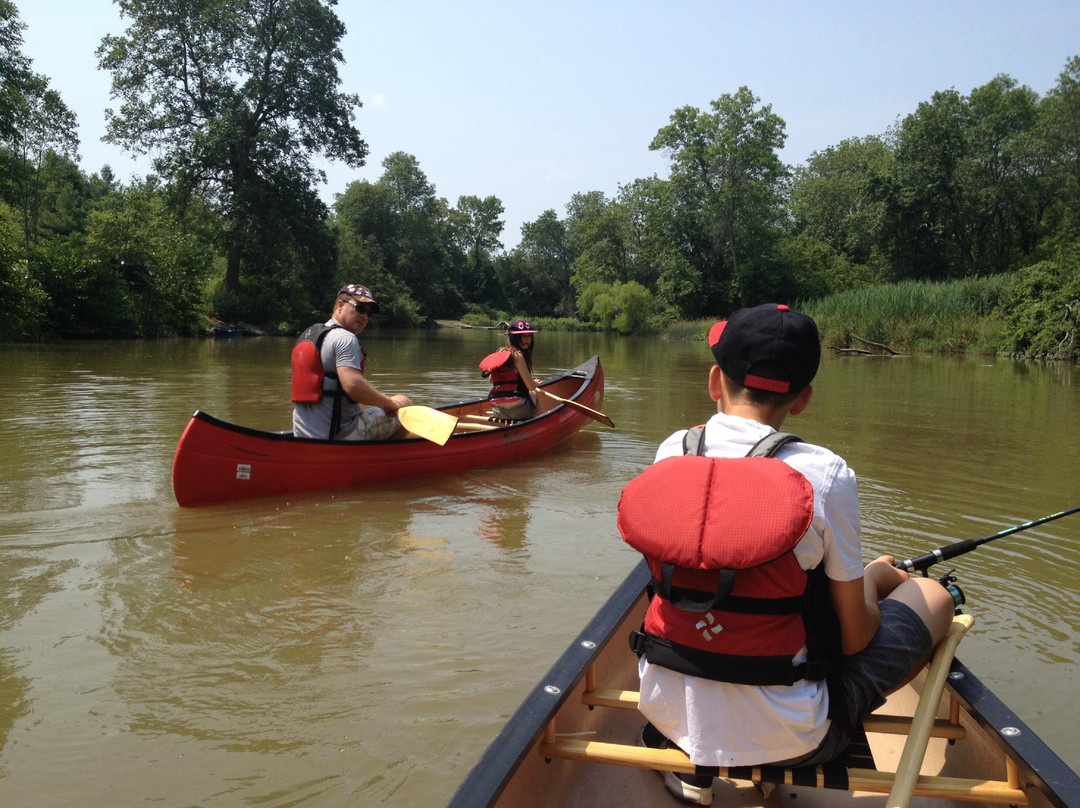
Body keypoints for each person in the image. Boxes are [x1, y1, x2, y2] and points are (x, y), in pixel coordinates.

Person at [622, 303, 956, 806]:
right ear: (802, 399)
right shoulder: (826, 473)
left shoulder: (673, 452)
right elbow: (854, 637)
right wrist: (872, 581)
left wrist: (871, 577)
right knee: (934, 596)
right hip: (795, 742)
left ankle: (698, 763)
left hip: (669, 712)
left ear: (716, 381)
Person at [291, 283, 412, 440]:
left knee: (365, 407)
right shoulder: (346, 338)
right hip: (338, 437)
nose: (365, 316)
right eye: (360, 308)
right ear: (340, 305)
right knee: (404, 403)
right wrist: (390, 404)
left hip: (303, 435)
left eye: (369, 314)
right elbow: (353, 386)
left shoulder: (308, 335)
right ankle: (384, 461)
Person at [479, 319, 542, 421]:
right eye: (523, 336)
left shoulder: (500, 353)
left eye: (529, 336)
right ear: (514, 337)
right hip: (520, 411)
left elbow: (491, 379)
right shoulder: (518, 356)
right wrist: (536, 383)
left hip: (498, 411)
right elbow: (530, 386)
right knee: (534, 394)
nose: (527, 340)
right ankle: (537, 422)